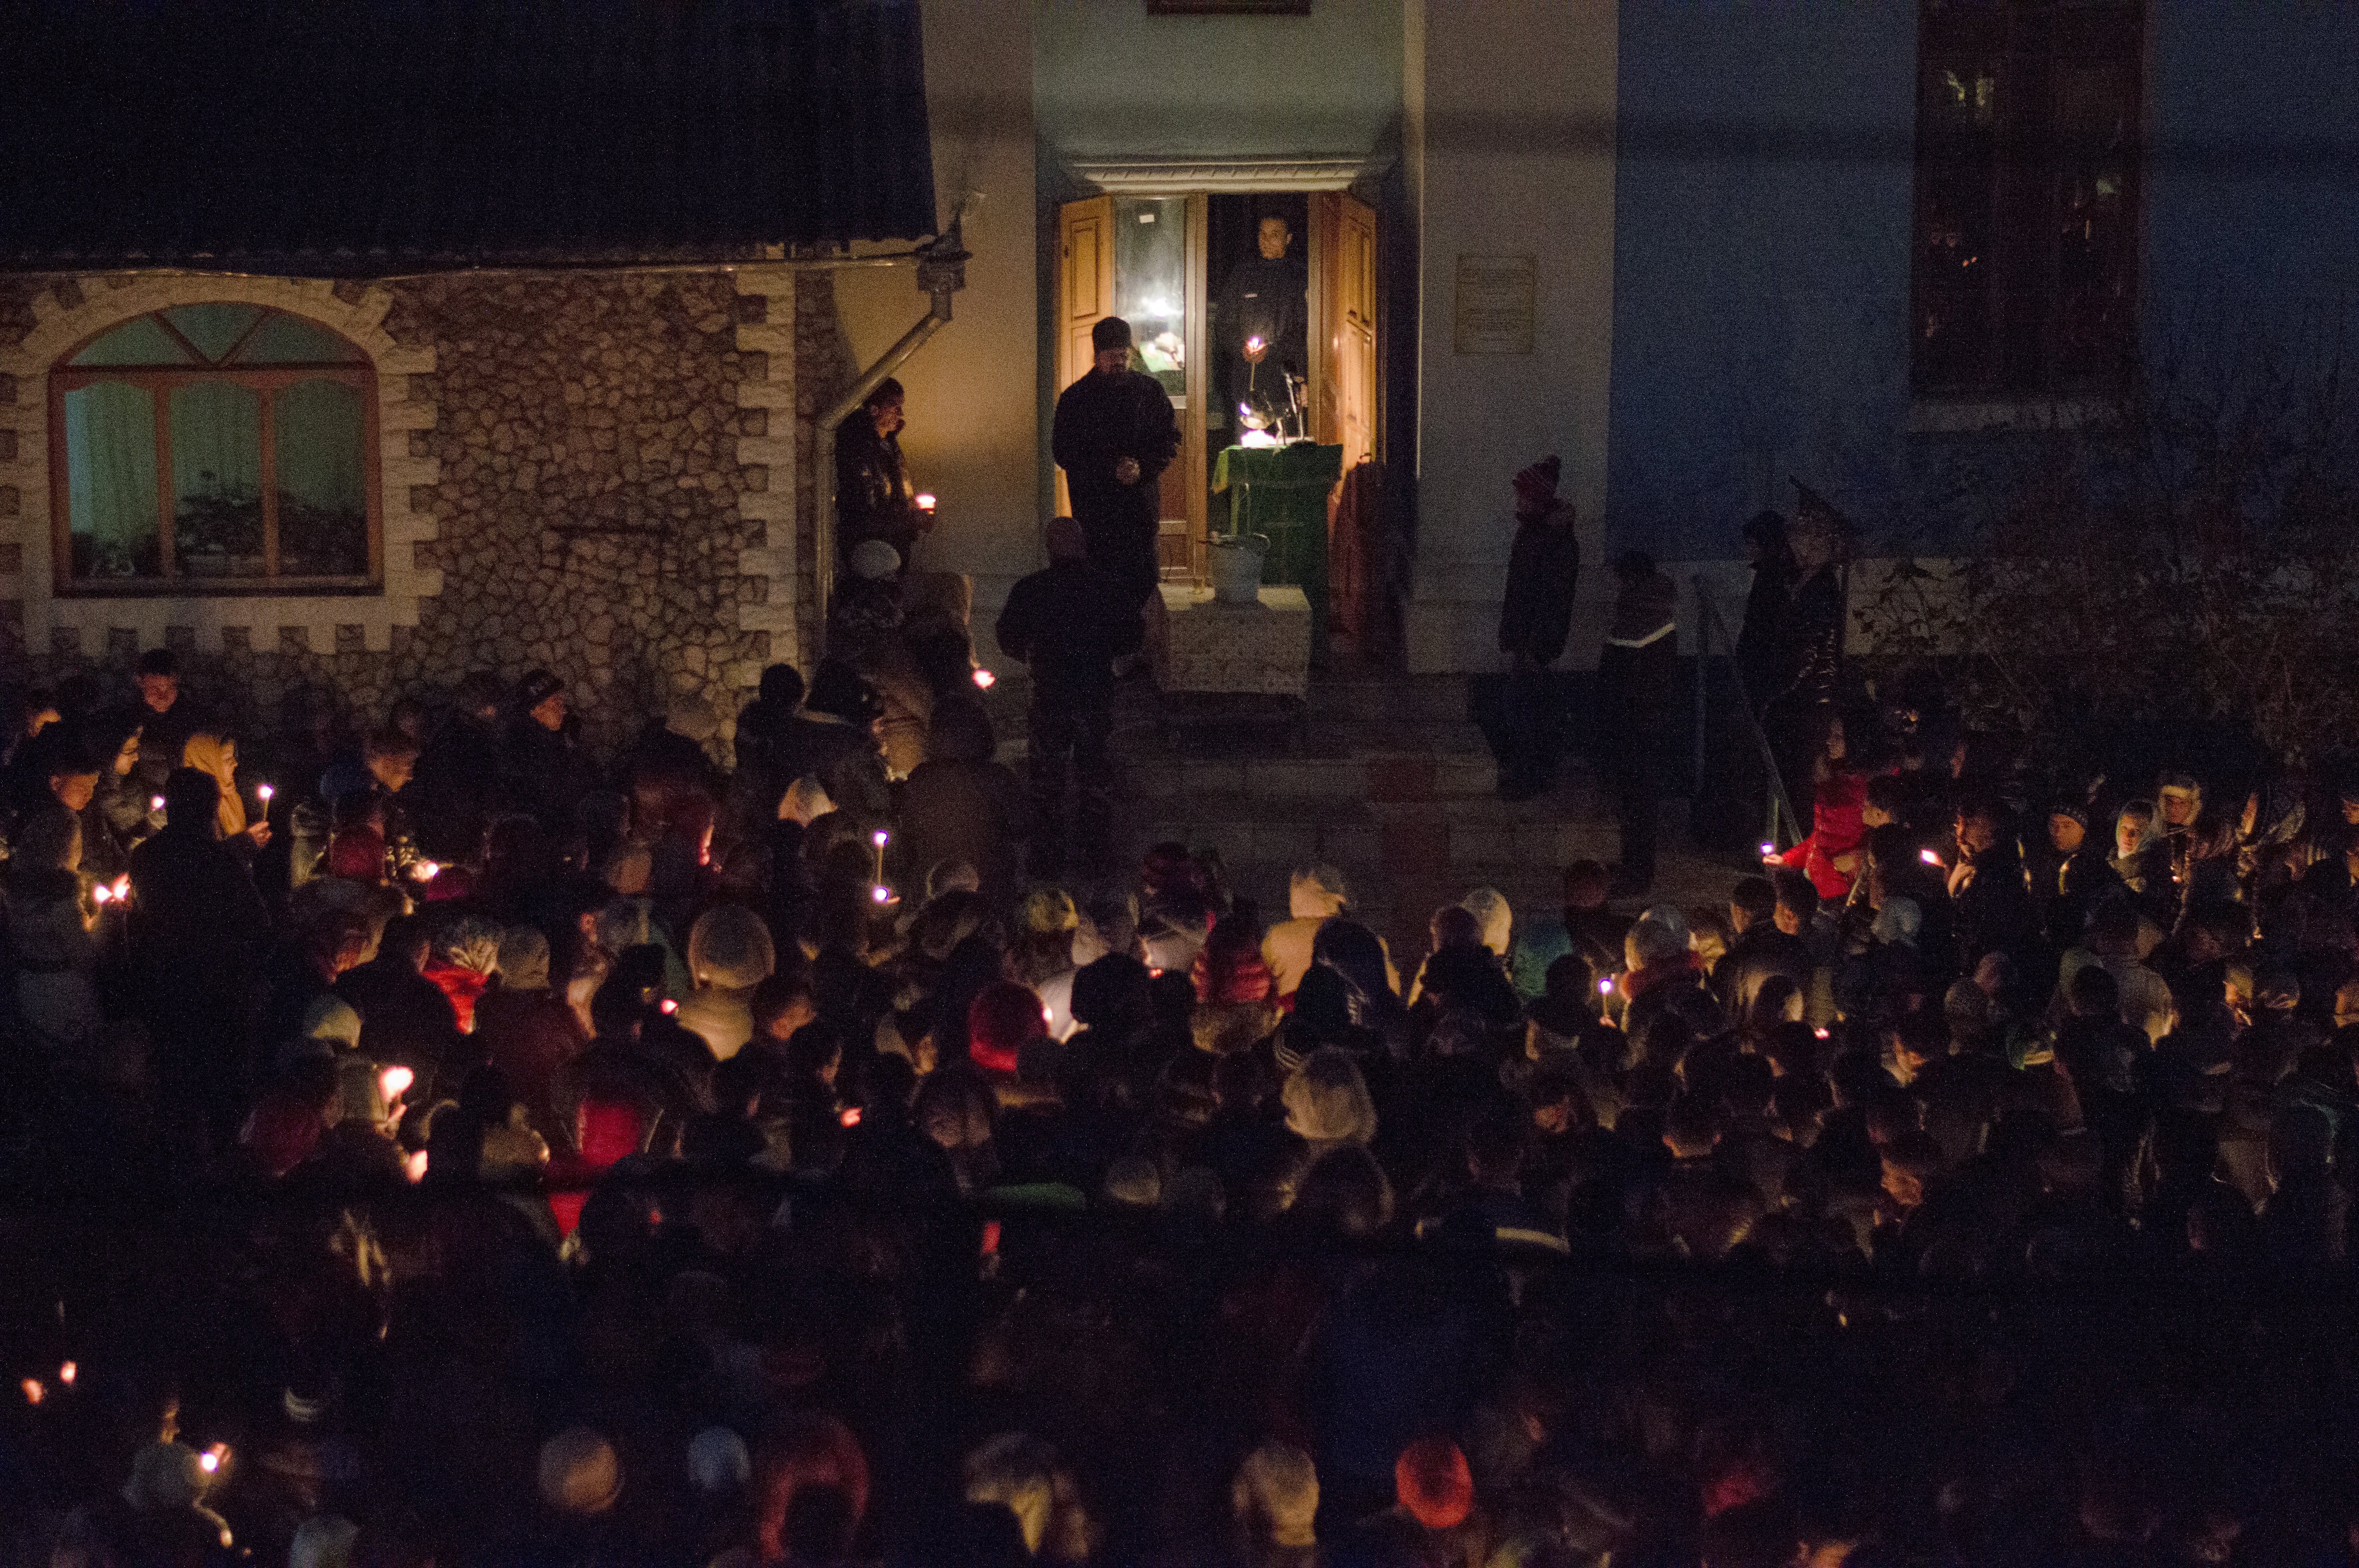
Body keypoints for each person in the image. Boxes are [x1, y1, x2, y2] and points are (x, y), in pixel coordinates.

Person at [996, 515, 1143, 880]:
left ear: (1049, 550)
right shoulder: (1107, 587)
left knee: (1047, 781)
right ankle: (1095, 859)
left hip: (1051, 697)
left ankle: (1047, 863)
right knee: (1095, 777)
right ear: (1083, 545)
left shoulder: (1032, 589)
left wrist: (1033, 655)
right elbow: (1132, 637)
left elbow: (1008, 638)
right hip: (1095, 695)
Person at [1051, 315, 1180, 621]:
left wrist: (1142, 468)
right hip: (1096, 515)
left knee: (1143, 591)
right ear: (1097, 357)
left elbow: (1168, 440)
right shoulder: (1075, 400)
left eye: (1124, 355)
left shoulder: (1150, 393)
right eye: (1112, 356)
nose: (1119, 362)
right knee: (1101, 591)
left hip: (1139, 512)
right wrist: (1110, 471)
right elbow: (1065, 452)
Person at [1494, 456, 1580, 801]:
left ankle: (1532, 776)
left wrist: (1535, 646)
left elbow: (1553, 600)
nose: (1518, 502)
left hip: (1534, 644)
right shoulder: (1533, 533)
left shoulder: (1555, 542)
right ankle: (1531, 773)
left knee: (1527, 711)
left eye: (1523, 496)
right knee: (1526, 709)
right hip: (1525, 640)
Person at [1597, 551, 1679, 898]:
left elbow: (1616, 677)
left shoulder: (1637, 622)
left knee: (1637, 801)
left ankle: (1637, 873)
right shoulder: (1660, 616)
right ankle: (1634, 865)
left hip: (1635, 725)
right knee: (1639, 801)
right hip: (1649, 723)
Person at [1216, 213, 1309, 428]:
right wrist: (1241, 348)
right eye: (1262, 235)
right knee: (1246, 446)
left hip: (1284, 380)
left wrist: (1299, 374)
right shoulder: (1243, 275)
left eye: (1275, 235)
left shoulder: (1299, 277)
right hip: (1246, 379)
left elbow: (1304, 329)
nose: (1266, 241)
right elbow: (1224, 325)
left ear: (1288, 239)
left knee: (1284, 445)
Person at [835, 376, 927, 568]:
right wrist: (905, 520)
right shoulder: (859, 448)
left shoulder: (890, 445)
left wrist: (914, 513)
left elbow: (901, 491)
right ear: (875, 409)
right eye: (894, 405)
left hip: (891, 546)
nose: (900, 413)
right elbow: (863, 508)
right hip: (871, 550)